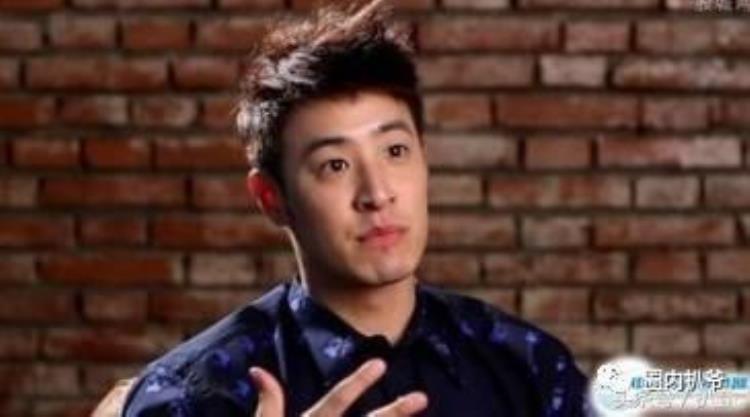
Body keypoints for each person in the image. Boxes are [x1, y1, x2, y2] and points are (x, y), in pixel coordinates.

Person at [119, 1, 592, 416]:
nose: (377, 193)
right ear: (271, 198)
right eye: (335, 164)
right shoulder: (191, 396)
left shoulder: (529, 367)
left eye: (395, 151)